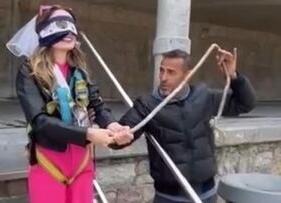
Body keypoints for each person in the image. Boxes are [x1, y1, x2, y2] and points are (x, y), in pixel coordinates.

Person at [8, 5, 131, 203]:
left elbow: (97, 105)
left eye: (71, 24)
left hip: (82, 163)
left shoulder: (79, 71)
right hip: (49, 162)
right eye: (59, 24)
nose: (68, 30)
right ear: (44, 31)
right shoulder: (29, 73)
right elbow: (40, 122)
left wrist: (113, 126)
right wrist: (89, 134)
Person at [110, 48, 257, 203]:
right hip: (169, 197)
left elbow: (246, 104)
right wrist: (118, 136)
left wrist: (234, 76)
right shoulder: (147, 105)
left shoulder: (203, 96)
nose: (163, 77)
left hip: (206, 194)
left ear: (187, 75)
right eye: (162, 70)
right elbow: (119, 136)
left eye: (171, 72)